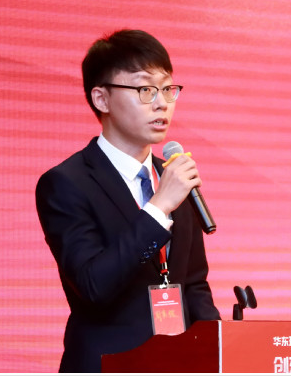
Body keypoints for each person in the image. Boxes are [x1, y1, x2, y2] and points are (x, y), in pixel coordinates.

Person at [35, 29, 220, 372]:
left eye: (168, 89)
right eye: (145, 89)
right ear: (101, 99)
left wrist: (218, 352)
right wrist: (158, 208)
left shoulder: (172, 176)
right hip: (107, 365)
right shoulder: (66, 183)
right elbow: (93, 285)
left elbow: (193, 284)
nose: (162, 103)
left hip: (175, 365)